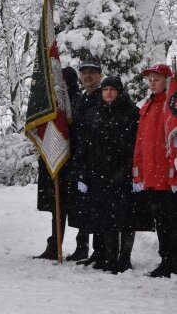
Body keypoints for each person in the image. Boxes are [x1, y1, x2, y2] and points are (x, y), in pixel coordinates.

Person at [74, 76, 140, 272]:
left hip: (125, 175)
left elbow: (136, 146)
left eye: (112, 89)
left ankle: (124, 258)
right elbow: (85, 146)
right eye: (105, 89)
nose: (108, 93)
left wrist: (130, 171)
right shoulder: (94, 113)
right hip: (100, 175)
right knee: (106, 217)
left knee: (126, 218)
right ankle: (110, 257)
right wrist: (83, 174)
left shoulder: (131, 113)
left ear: (119, 92)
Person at [133, 63, 176, 277]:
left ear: (167, 81)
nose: (151, 83)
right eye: (149, 79)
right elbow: (140, 144)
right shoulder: (147, 106)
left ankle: (172, 260)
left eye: (156, 79)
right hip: (152, 177)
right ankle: (167, 259)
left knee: (171, 220)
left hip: (169, 176)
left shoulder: (172, 106)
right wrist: (138, 172)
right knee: (162, 221)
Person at [34, 66, 81, 260]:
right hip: (55, 159)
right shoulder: (52, 102)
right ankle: (55, 244)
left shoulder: (77, 101)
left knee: (78, 208)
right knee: (57, 207)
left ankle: (82, 246)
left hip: (72, 161)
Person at [66, 59, 104, 264]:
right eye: (84, 73)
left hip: (97, 162)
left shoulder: (103, 98)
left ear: (99, 75)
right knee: (82, 207)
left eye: (92, 72)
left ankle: (100, 251)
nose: (87, 76)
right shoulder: (80, 99)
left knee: (97, 208)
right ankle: (82, 247)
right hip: (80, 160)